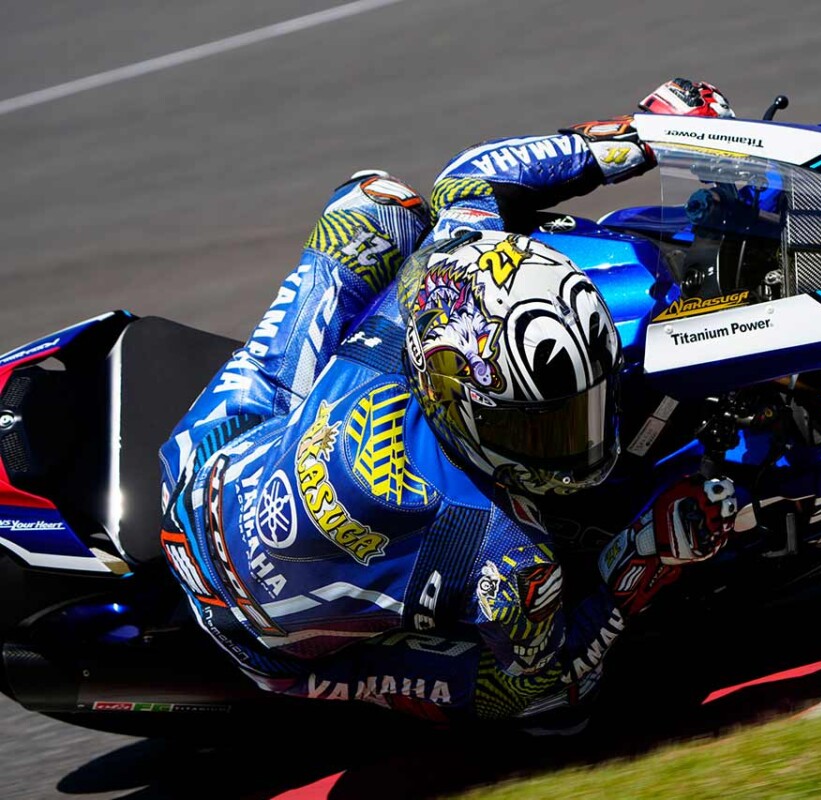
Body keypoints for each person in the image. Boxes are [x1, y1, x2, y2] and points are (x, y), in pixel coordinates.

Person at [158, 79, 738, 726]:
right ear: (459, 402)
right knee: (522, 687)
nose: (581, 441)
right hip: (258, 634)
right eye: (545, 427)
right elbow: (553, 696)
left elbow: (472, 177)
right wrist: (641, 559)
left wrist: (642, 139)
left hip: (210, 462)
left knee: (374, 207)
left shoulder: (432, 289)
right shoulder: (505, 556)